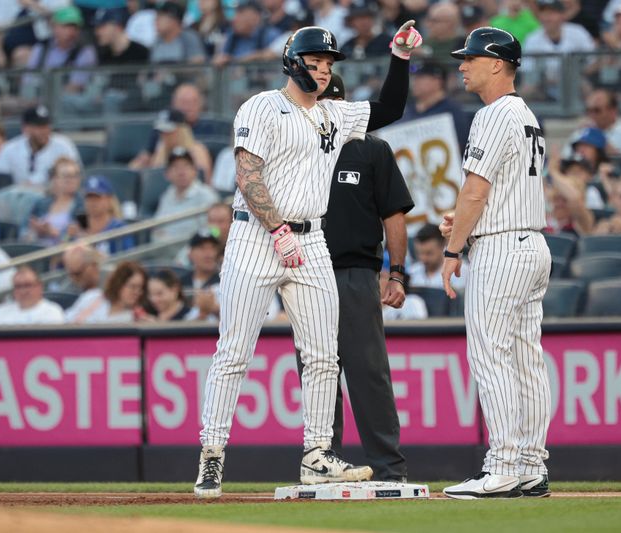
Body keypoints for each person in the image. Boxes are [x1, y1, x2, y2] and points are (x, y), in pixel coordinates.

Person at [194, 22, 423, 498]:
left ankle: (317, 454)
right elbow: (247, 172)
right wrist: (276, 229)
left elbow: (390, 108)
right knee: (234, 353)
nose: (321, 71)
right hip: (257, 236)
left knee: (323, 353)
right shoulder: (263, 105)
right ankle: (212, 455)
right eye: (314, 63)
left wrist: (399, 58)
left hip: (312, 239)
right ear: (292, 62)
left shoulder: (333, 114)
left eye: (328, 65)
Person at [441, 27, 552, 499]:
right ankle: (531, 463)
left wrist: (452, 249)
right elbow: (490, 194)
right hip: (531, 244)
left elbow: (476, 190)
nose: (462, 65)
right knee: (527, 359)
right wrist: (465, 223)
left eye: (469, 58)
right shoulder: (525, 114)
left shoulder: (492, 114)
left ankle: (503, 464)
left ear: (495, 63)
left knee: (492, 356)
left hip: (502, 249)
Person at [292, 73, 413, 482]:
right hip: (306, 271)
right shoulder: (300, 149)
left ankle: (388, 468)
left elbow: (393, 214)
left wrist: (395, 272)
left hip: (354, 273)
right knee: (316, 372)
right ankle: (324, 461)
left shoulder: (372, 150)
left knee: (367, 372)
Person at [0, 106, 80, 188]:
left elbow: (75, 176)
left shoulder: (63, 145)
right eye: (39, 127)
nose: (45, 131)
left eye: (46, 126)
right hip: (18, 199)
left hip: (52, 198)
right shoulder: (10, 148)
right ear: (25, 128)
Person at [399, 62, 472, 152]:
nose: (415, 82)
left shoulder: (452, 111)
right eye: (414, 78)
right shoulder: (409, 111)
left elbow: (457, 148)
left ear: (437, 81)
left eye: (420, 78)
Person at [152, 146, 220, 242]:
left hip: (192, 252)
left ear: (195, 171)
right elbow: (157, 229)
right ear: (167, 174)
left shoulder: (207, 196)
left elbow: (214, 232)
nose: (181, 172)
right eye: (175, 167)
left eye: (186, 166)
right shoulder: (167, 195)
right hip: (162, 252)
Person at [134, 109, 213, 181]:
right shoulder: (162, 149)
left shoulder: (197, 151)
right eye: (161, 132)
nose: (164, 136)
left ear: (182, 130)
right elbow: (155, 181)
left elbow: (205, 181)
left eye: (169, 132)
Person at [66, 175, 136, 256]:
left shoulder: (119, 228)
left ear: (109, 200)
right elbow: (56, 265)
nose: (92, 202)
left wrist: (88, 245)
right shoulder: (77, 228)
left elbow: (127, 261)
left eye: (97, 197)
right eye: (89, 197)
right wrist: (66, 239)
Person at [25, 156, 84, 245]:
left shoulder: (83, 207)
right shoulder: (41, 204)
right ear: (54, 179)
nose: (71, 180)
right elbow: (23, 234)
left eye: (75, 176)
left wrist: (54, 233)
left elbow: (76, 240)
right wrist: (34, 232)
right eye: (66, 176)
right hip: (37, 250)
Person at [571, 88, 621, 157]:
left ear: (613, 111)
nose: (591, 115)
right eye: (588, 110)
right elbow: (567, 158)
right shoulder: (582, 132)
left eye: (597, 110)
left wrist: (598, 136)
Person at [0, 267, 65, 326]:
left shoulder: (52, 311)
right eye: (18, 286)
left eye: (27, 285)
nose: (23, 291)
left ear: (39, 287)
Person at [211, 0, 281, 66]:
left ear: (256, 15)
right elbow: (221, 57)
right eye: (235, 12)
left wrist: (257, 57)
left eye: (240, 12)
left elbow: (280, 66)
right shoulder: (231, 36)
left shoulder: (270, 35)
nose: (234, 18)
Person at [409, 223, 467, 290]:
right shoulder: (412, 273)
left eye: (429, 253)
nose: (423, 258)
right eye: (419, 253)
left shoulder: (459, 271)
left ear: (442, 246)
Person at [62, 244, 108, 324]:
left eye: (78, 273)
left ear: (93, 266)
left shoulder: (114, 281)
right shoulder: (65, 292)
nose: (74, 279)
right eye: (70, 274)